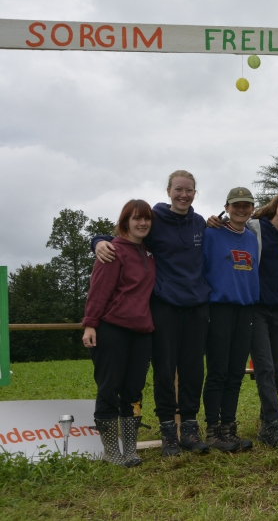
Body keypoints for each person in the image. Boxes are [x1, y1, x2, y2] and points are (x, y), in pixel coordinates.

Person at [93, 170, 211, 457]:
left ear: (195, 193)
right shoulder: (154, 219)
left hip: (197, 305)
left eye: (189, 190)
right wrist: (96, 241)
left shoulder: (199, 222)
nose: (184, 194)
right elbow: (124, 235)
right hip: (164, 306)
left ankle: (190, 430)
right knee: (164, 370)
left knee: (194, 369)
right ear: (168, 191)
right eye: (178, 189)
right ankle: (168, 432)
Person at [208, 189, 278, 447]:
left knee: (275, 366)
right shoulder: (255, 227)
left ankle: (265, 424)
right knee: (263, 365)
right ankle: (275, 421)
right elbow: (231, 228)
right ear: (277, 202)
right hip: (256, 305)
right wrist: (212, 220)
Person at [82, 199, 156, 467]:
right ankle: (111, 450)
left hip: (142, 331)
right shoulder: (112, 251)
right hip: (112, 329)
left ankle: (131, 449)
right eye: (136, 218)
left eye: (146, 218)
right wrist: (90, 323)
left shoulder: (150, 252)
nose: (142, 223)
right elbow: (99, 289)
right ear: (125, 222)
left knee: (134, 390)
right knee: (109, 388)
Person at [201, 187, 260, 452]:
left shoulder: (251, 237)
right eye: (236, 205)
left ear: (252, 209)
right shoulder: (211, 233)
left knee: (236, 372)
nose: (241, 209)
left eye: (246, 205)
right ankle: (212, 430)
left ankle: (229, 427)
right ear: (226, 207)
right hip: (219, 308)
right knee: (218, 371)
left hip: (245, 309)